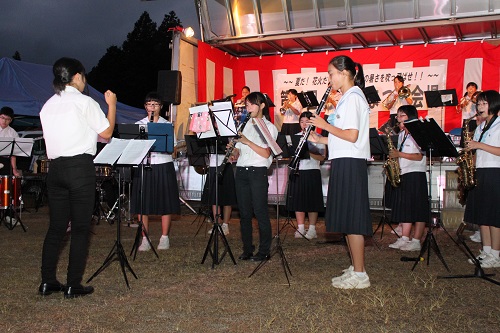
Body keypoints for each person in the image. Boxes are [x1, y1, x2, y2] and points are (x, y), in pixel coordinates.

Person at [39, 57, 117, 298]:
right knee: (81, 228)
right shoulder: (85, 102)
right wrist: (111, 105)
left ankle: (47, 282)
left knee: (56, 228)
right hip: (79, 168)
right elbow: (106, 132)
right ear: (76, 77)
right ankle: (73, 284)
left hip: (55, 169)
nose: (85, 82)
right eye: (83, 77)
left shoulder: (48, 105)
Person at [307, 55, 372, 289]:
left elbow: (352, 135)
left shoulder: (354, 97)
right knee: (347, 217)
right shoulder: (346, 98)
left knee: (353, 219)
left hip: (351, 163)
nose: (329, 79)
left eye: (331, 74)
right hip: (344, 158)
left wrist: (324, 125)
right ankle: (355, 268)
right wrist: (321, 138)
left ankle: (361, 274)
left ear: (344, 73)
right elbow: (343, 136)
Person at [231, 91, 278, 261]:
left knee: (260, 212)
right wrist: (234, 151)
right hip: (242, 170)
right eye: (247, 104)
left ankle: (264, 250)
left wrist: (247, 142)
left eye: (251, 104)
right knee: (244, 213)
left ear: (262, 106)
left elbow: (266, 153)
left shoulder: (269, 127)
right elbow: (239, 149)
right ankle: (247, 248)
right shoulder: (244, 125)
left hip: (257, 172)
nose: (248, 107)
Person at [131, 92, 180, 251]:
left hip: (163, 165)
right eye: (149, 104)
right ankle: (145, 238)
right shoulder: (140, 124)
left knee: (165, 202)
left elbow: (171, 148)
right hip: (145, 166)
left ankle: (164, 237)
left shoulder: (167, 125)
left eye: (156, 104)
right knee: (143, 203)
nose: (152, 107)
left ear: (161, 107)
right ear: (145, 107)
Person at [464, 90, 500, 268]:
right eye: (478, 104)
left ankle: (496, 254)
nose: (480, 107)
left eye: (484, 103)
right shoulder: (480, 127)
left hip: (495, 172)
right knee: (483, 216)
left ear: (493, 104)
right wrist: (468, 165)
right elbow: (478, 152)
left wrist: (479, 145)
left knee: (494, 217)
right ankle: (486, 251)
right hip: (481, 172)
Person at [386, 105, 429, 252]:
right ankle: (404, 238)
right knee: (405, 207)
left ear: (410, 116)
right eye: (398, 116)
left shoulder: (418, 133)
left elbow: (419, 156)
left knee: (418, 208)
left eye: (401, 115)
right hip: (404, 172)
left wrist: (399, 155)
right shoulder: (402, 134)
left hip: (416, 173)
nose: (398, 119)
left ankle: (416, 240)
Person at [287, 111, 326, 240]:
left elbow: (322, 157)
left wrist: (308, 150)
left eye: (307, 122)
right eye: (301, 122)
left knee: (312, 201)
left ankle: (313, 229)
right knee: (298, 200)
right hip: (298, 170)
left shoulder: (318, 137)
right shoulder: (295, 137)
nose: (304, 124)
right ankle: (301, 227)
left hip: (312, 170)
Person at [201, 139, 238, 236]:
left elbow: (233, 147)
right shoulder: (211, 133)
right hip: (213, 165)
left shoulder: (228, 132)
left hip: (226, 165)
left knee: (227, 197)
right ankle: (216, 223)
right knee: (214, 197)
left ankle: (225, 224)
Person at [0, 107, 21, 176]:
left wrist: (14, 169)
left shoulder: (13, 133)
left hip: (6, 161)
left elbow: (13, 154)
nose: (4, 121)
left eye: (7, 119)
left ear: (11, 120)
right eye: (2, 118)